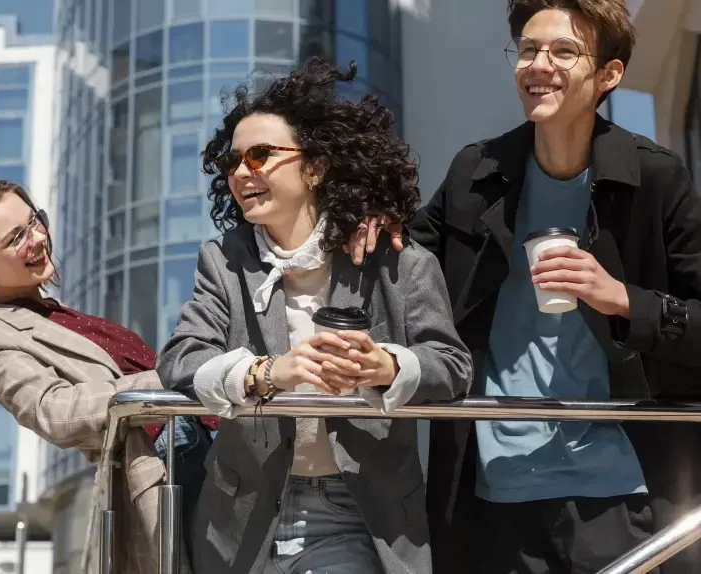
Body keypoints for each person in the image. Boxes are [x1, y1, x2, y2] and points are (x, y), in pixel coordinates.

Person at [352, 1, 701, 572]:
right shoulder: (476, 173)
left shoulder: (656, 179)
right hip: (494, 486)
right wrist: (378, 217)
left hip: (617, 486)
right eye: (529, 49)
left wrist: (621, 298)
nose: (538, 64)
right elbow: (406, 254)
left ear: (609, 75)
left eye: (564, 52)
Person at [156, 56, 473, 574]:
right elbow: (182, 359)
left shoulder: (396, 258)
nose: (241, 173)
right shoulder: (223, 259)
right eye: (231, 161)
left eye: (259, 155)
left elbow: (452, 365)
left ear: (316, 165)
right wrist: (266, 373)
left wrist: (387, 368)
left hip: (357, 513)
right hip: (238, 515)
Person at [0, 174, 210, 574]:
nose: (37, 238)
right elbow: (54, 410)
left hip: (199, 438)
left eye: (34, 221)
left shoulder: (52, 312)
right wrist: (175, 377)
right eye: (15, 239)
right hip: (169, 464)